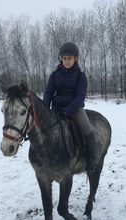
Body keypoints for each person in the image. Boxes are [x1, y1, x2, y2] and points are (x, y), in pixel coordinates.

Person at [43, 42, 97, 171]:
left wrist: (67, 111)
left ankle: (90, 159)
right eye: (64, 58)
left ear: (75, 59)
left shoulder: (81, 76)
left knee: (88, 131)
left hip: (75, 109)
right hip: (56, 109)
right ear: (61, 59)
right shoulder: (55, 75)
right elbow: (49, 92)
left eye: (70, 58)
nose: (67, 61)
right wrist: (45, 108)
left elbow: (80, 98)